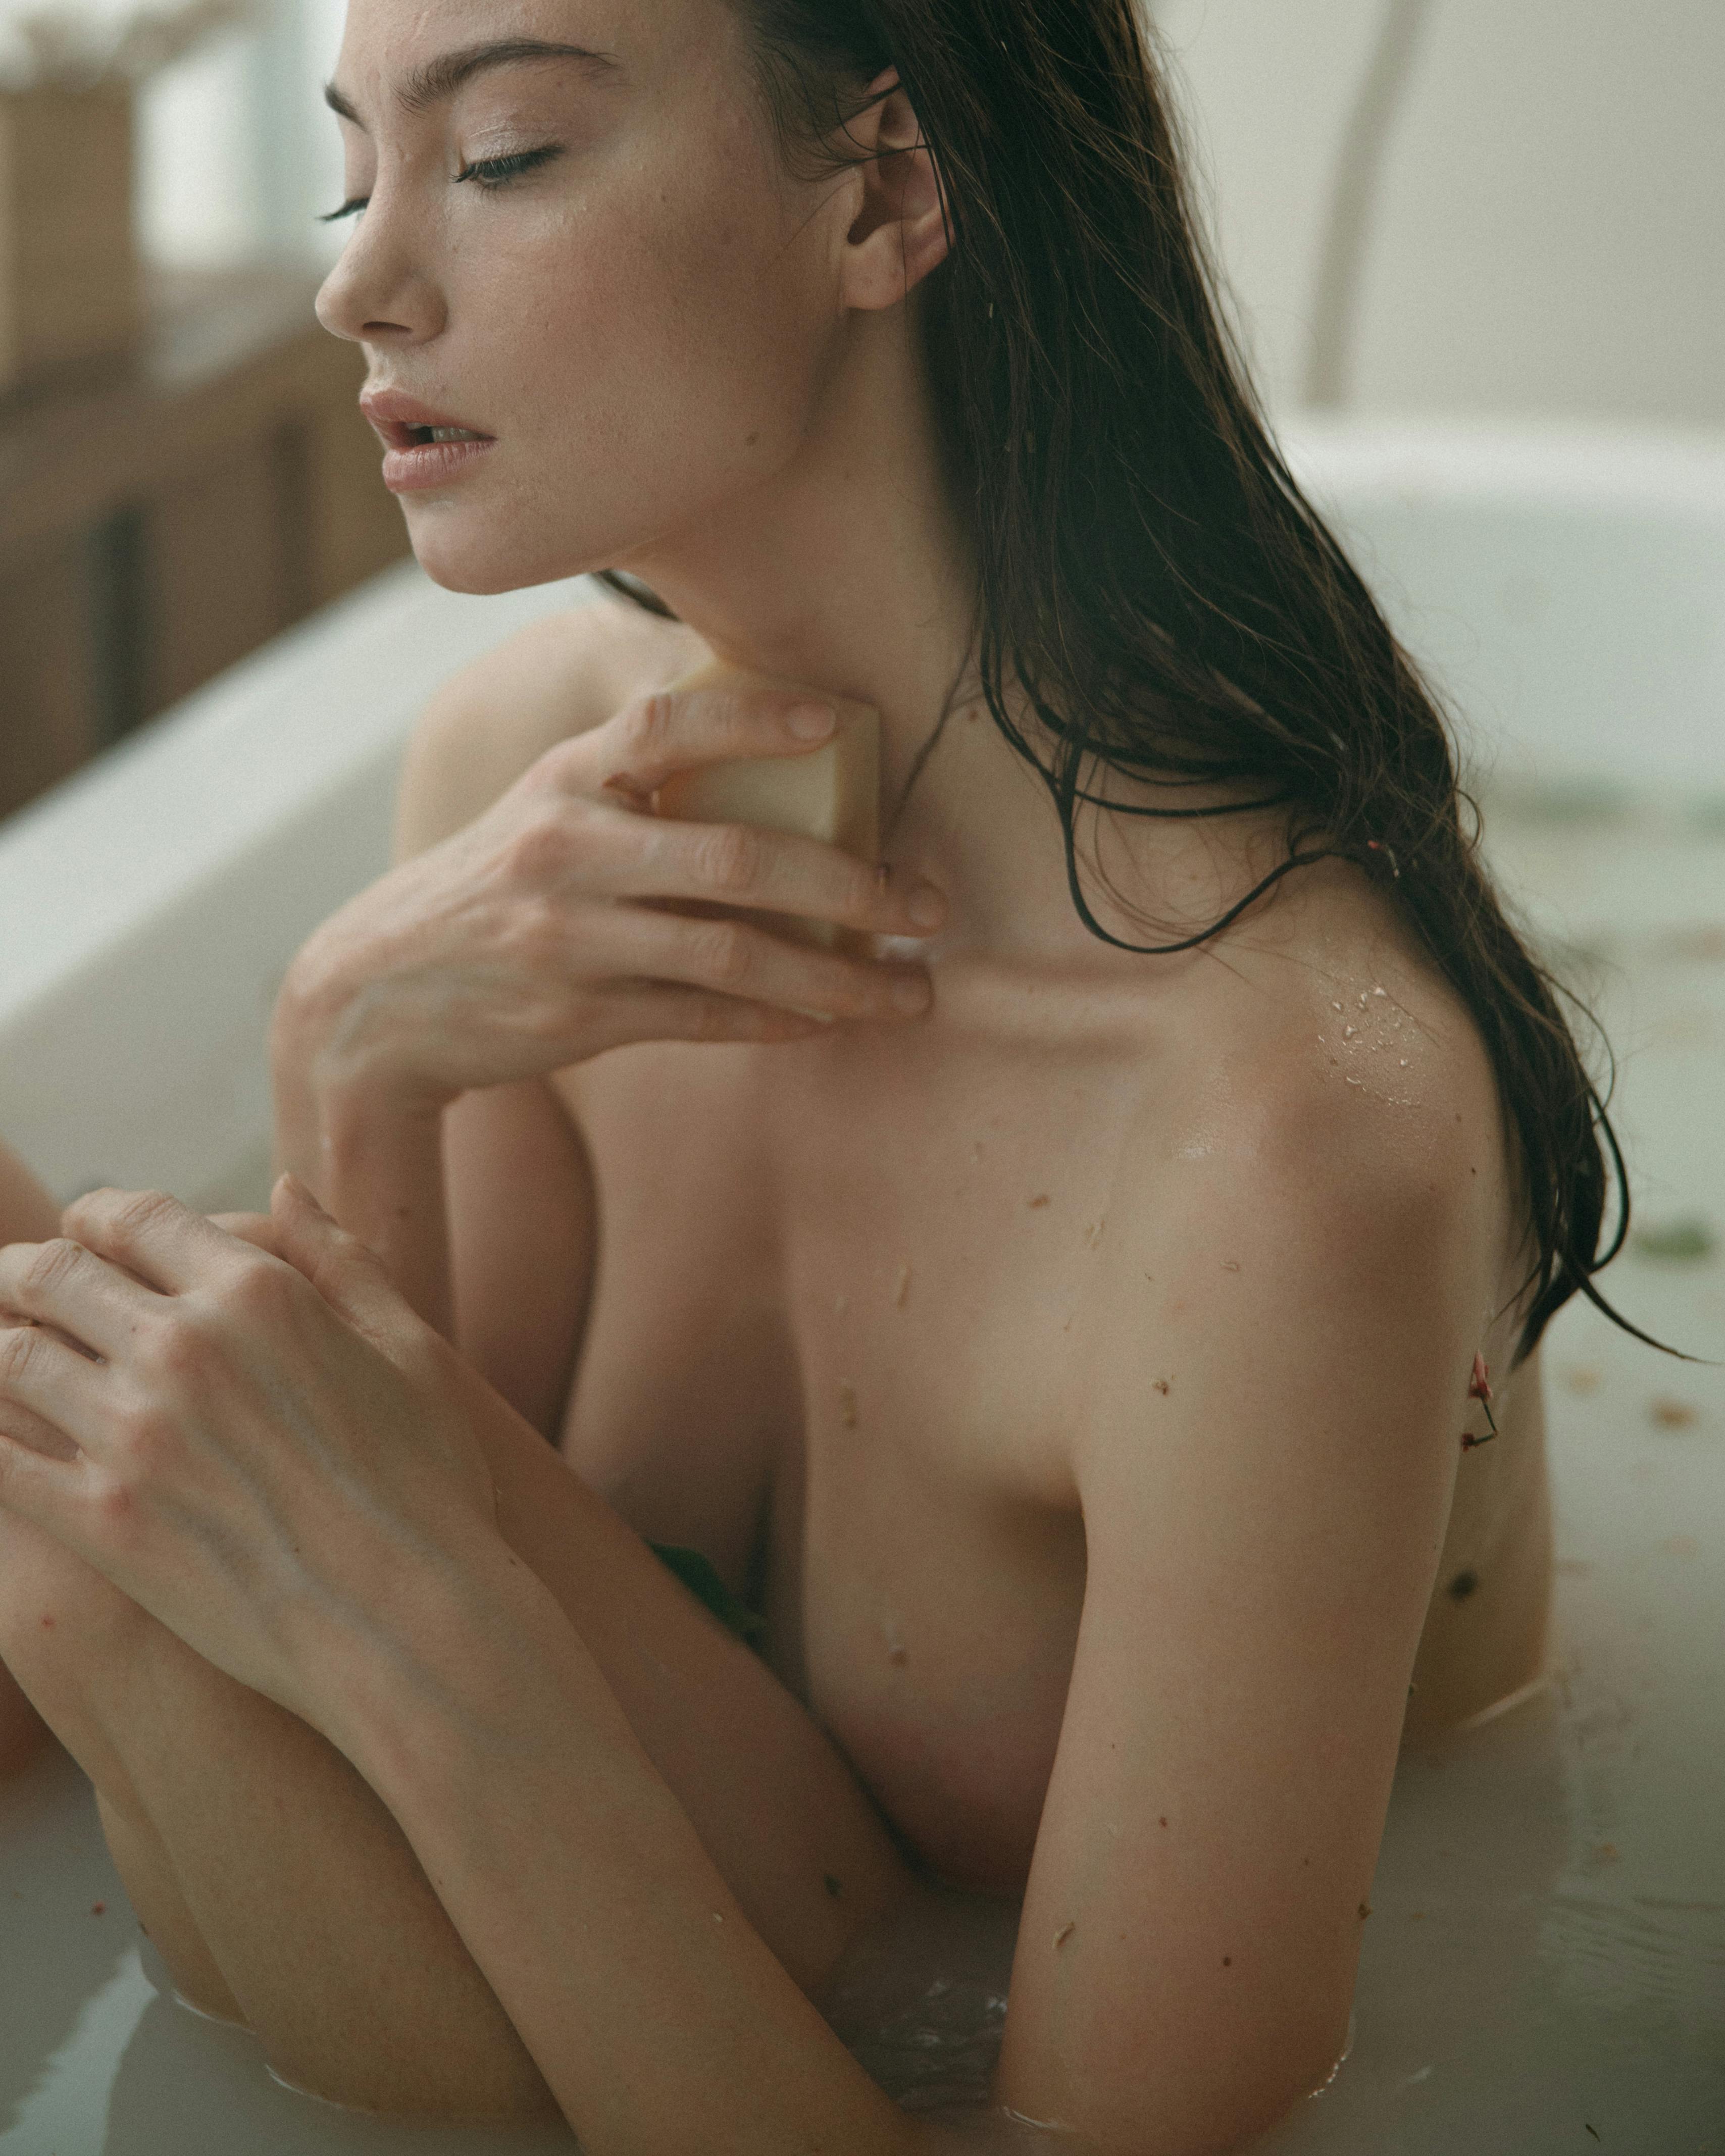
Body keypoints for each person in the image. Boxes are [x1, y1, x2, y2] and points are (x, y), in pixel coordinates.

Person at [0, 0, 1636, 2147]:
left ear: (879, 191)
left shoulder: (1275, 1141)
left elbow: (402, 1604)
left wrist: (429, 1647)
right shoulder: (520, 812)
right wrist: (350, 1062)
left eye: (496, 159)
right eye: (347, 167)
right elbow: (348, 1537)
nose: (354, 280)